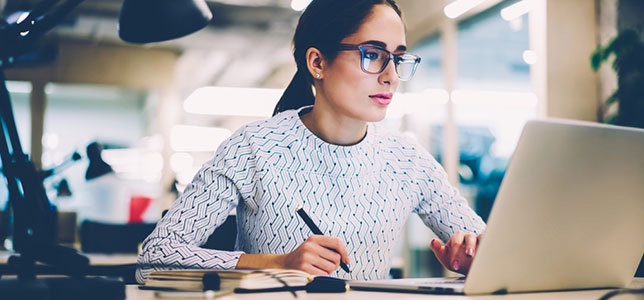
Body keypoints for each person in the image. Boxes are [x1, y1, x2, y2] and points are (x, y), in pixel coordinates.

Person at [136, 0, 485, 283]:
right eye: (373, 54)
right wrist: (275, 263)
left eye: (397, 57)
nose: (391, 76)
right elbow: (155, 257)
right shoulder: (253, 148)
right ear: (317, 62)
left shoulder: (408, 159)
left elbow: (492, 251)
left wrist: (474, 259)